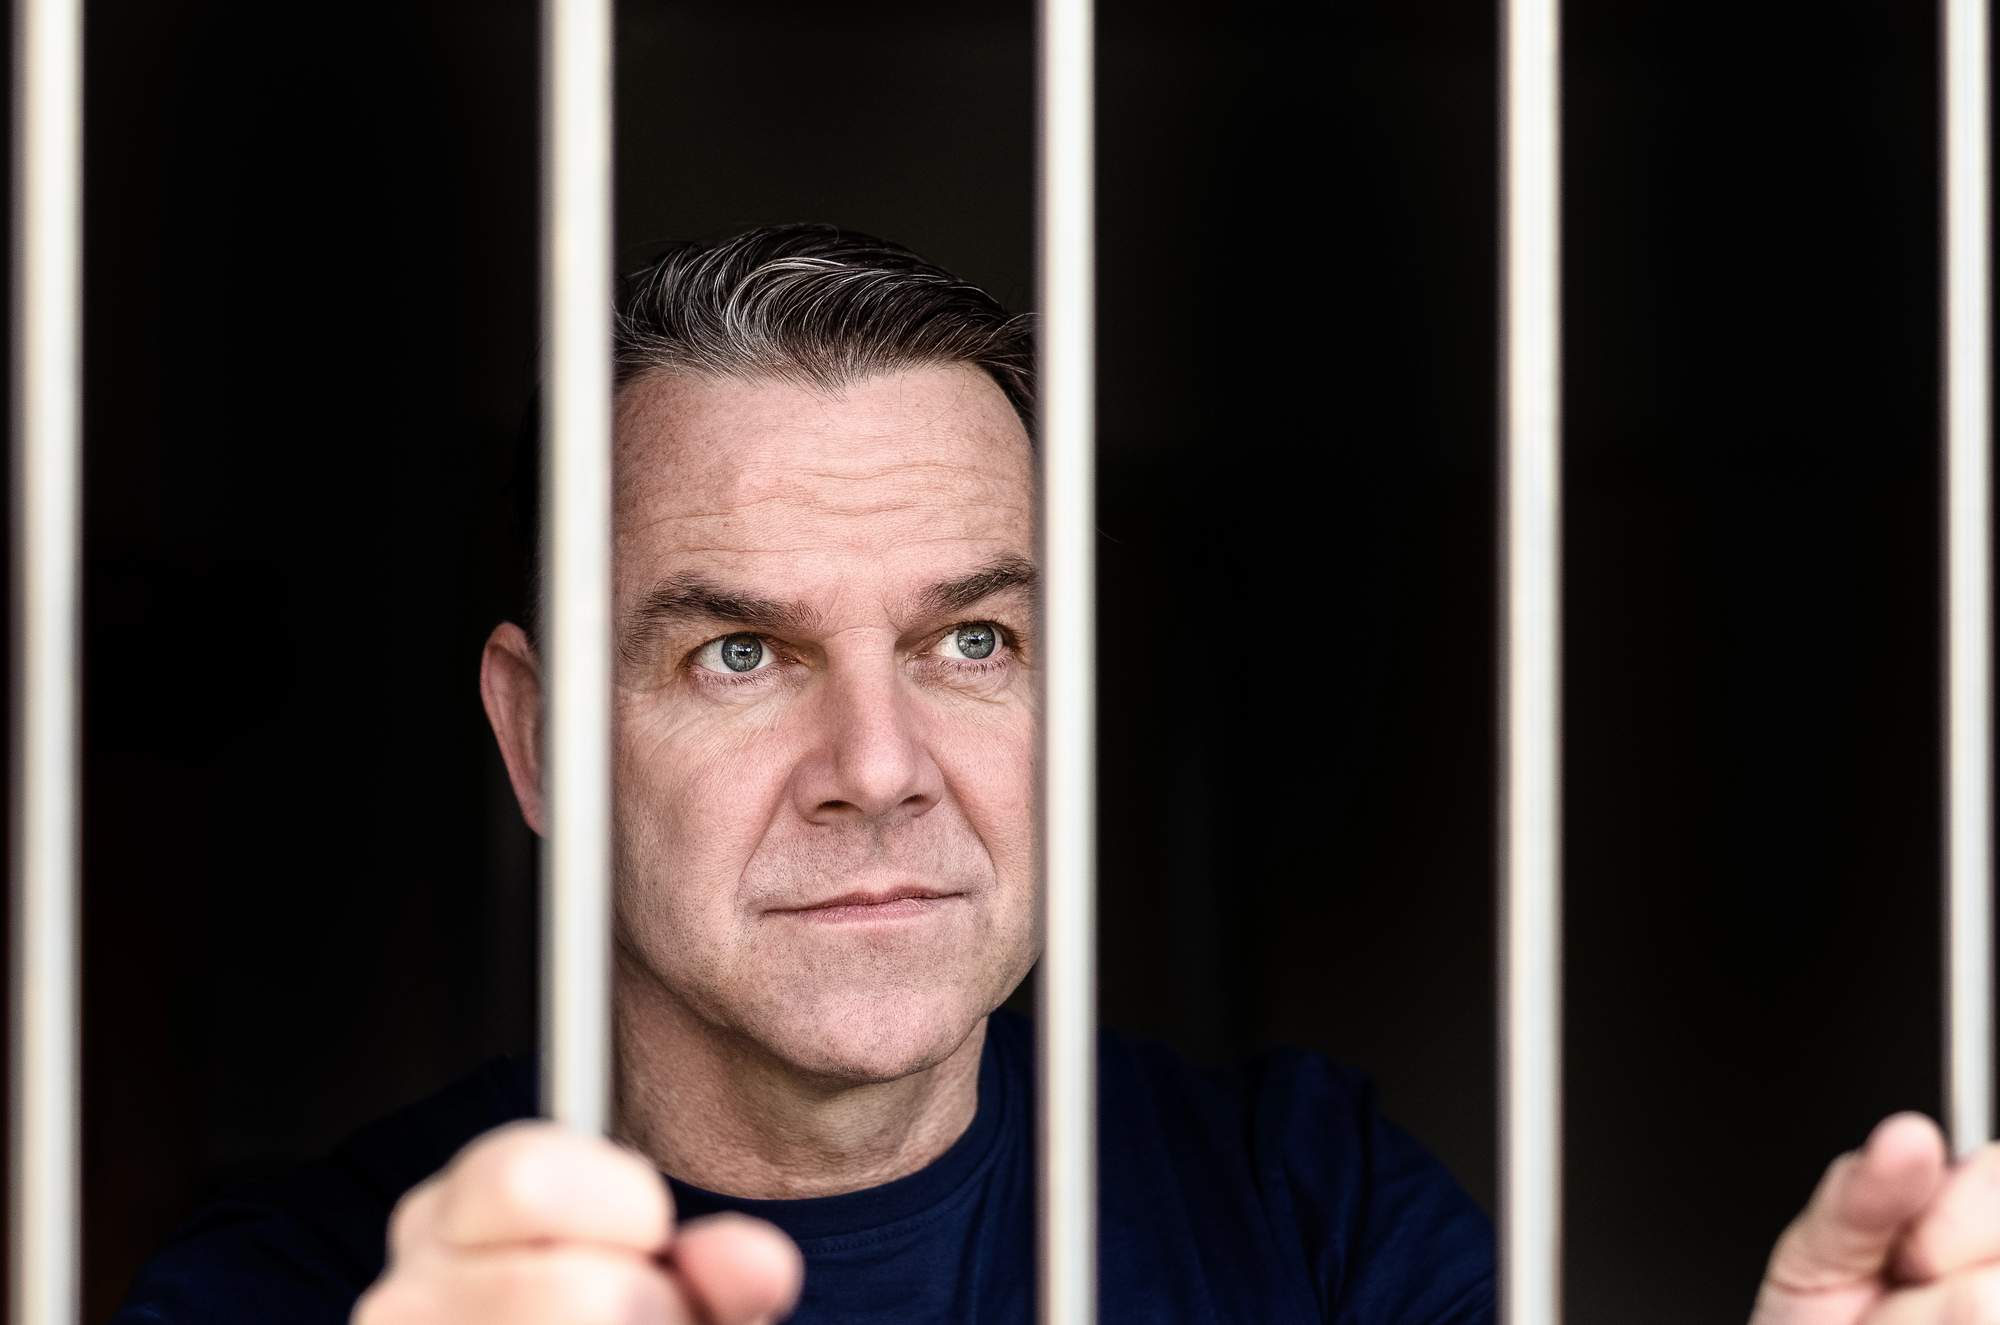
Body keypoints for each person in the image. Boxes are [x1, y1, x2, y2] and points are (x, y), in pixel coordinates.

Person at [107, 225, 2000, 1325]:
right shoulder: (298, 1289)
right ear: (539, 739)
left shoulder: (1308, 1204)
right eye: (740, 651)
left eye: (971, 641)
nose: (878, 768)